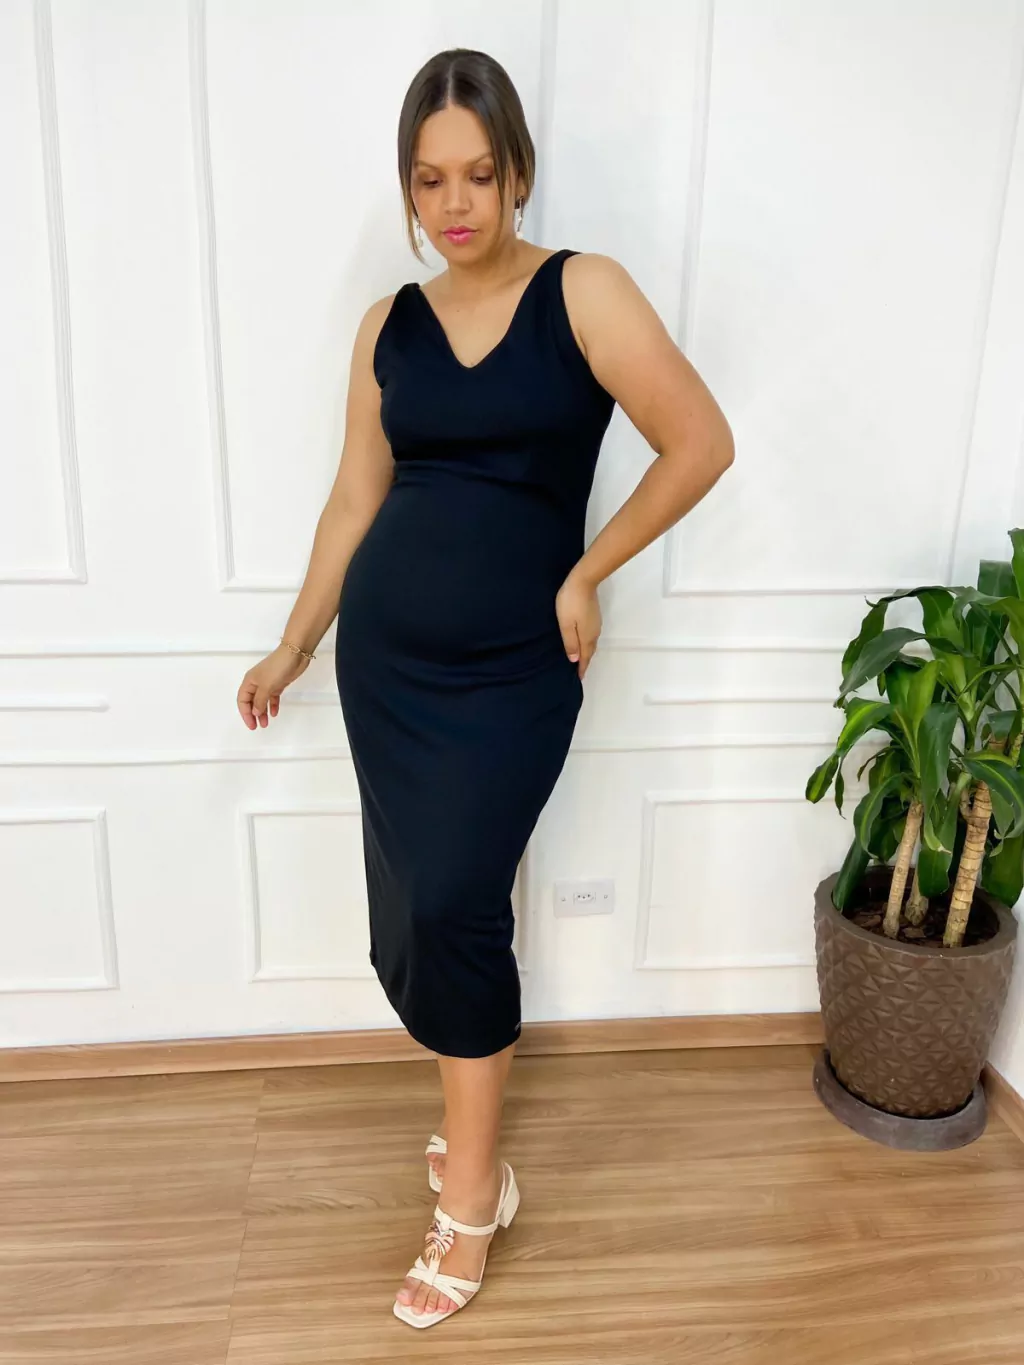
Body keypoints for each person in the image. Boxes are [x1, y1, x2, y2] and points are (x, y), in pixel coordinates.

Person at [236, 47, 734, 1330]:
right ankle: (472, 1143)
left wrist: (588, 571)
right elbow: (355, 501)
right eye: (427, 180)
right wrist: (294, 645)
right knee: (420, 915)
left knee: (457, 904)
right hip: (387, 670)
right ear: (408, 189)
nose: (453, 203)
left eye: (476, 173)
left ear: (518, 172)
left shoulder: (584, 293)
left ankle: (471, 1198)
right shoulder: (387, 327)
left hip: (515, 668)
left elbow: (699, 442)